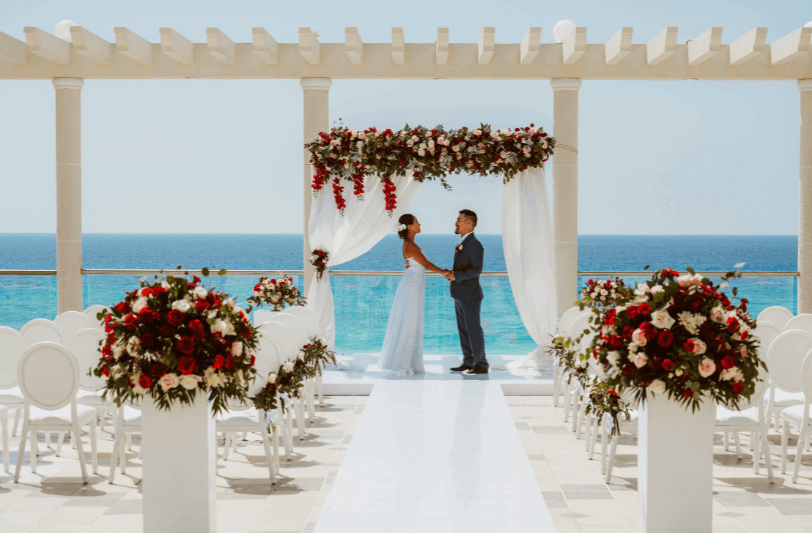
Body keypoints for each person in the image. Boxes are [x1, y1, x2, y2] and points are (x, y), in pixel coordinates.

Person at [378, 213, 447, 373]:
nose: (420, 224)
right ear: (410, 227)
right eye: (417, 222)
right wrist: (445, 272)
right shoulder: (409, 245)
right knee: (410, 320)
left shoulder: (410, 243)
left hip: (415, 284)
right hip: (412, 286)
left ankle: (410, 361)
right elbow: (426, 264)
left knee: (412, 320)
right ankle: (405, 362)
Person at [445, 209, 488, 374]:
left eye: (459, 219)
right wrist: (452, 274)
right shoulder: (463, 242)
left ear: (468, 223)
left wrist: (456, 275)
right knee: (463, 330)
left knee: (473, 330)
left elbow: (476, 270)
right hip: (459, 293)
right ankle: (468, 361)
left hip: (471, 295)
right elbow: (463, 268)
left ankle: (481, 365)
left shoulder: (475, 244)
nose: (456, 223)